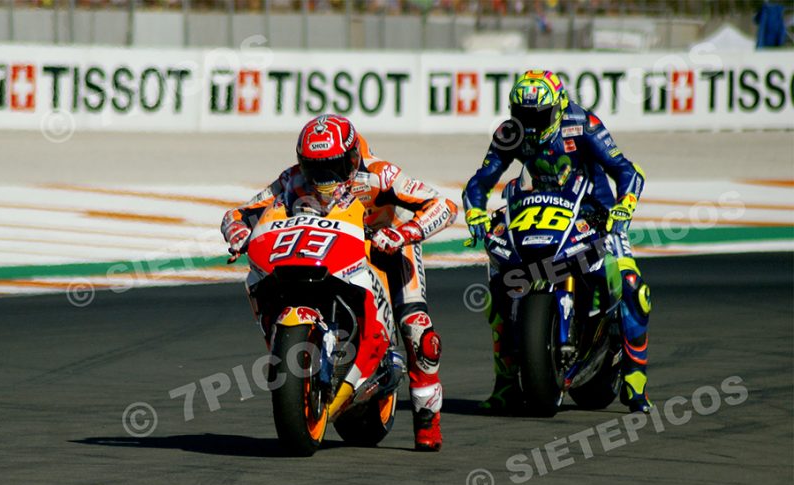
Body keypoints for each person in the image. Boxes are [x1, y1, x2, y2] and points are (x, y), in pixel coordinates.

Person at [222, 114, 458, 451]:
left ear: (351, 157)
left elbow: (443, 205)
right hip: (325, 249)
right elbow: (240, 212)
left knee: (418, 329)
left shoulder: (379, 174)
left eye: (334, 166)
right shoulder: (291, 179)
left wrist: (403, 233)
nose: (325, 177)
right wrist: (239, 232)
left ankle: (427, 425)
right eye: (315, 167)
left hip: (387, 245)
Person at [462, 70, 653, 414]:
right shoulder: (509, 133)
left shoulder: (582, 123)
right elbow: (479, 182)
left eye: (538, 115)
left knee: (631, 283)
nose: (530, 124)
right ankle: (506, 384)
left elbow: (625, 170)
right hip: (536, 214)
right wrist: (475, 212)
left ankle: (635, 380)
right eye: (522, 114)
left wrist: (623, 206)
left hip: (595, 214)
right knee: (499, 284)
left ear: (558, 108)